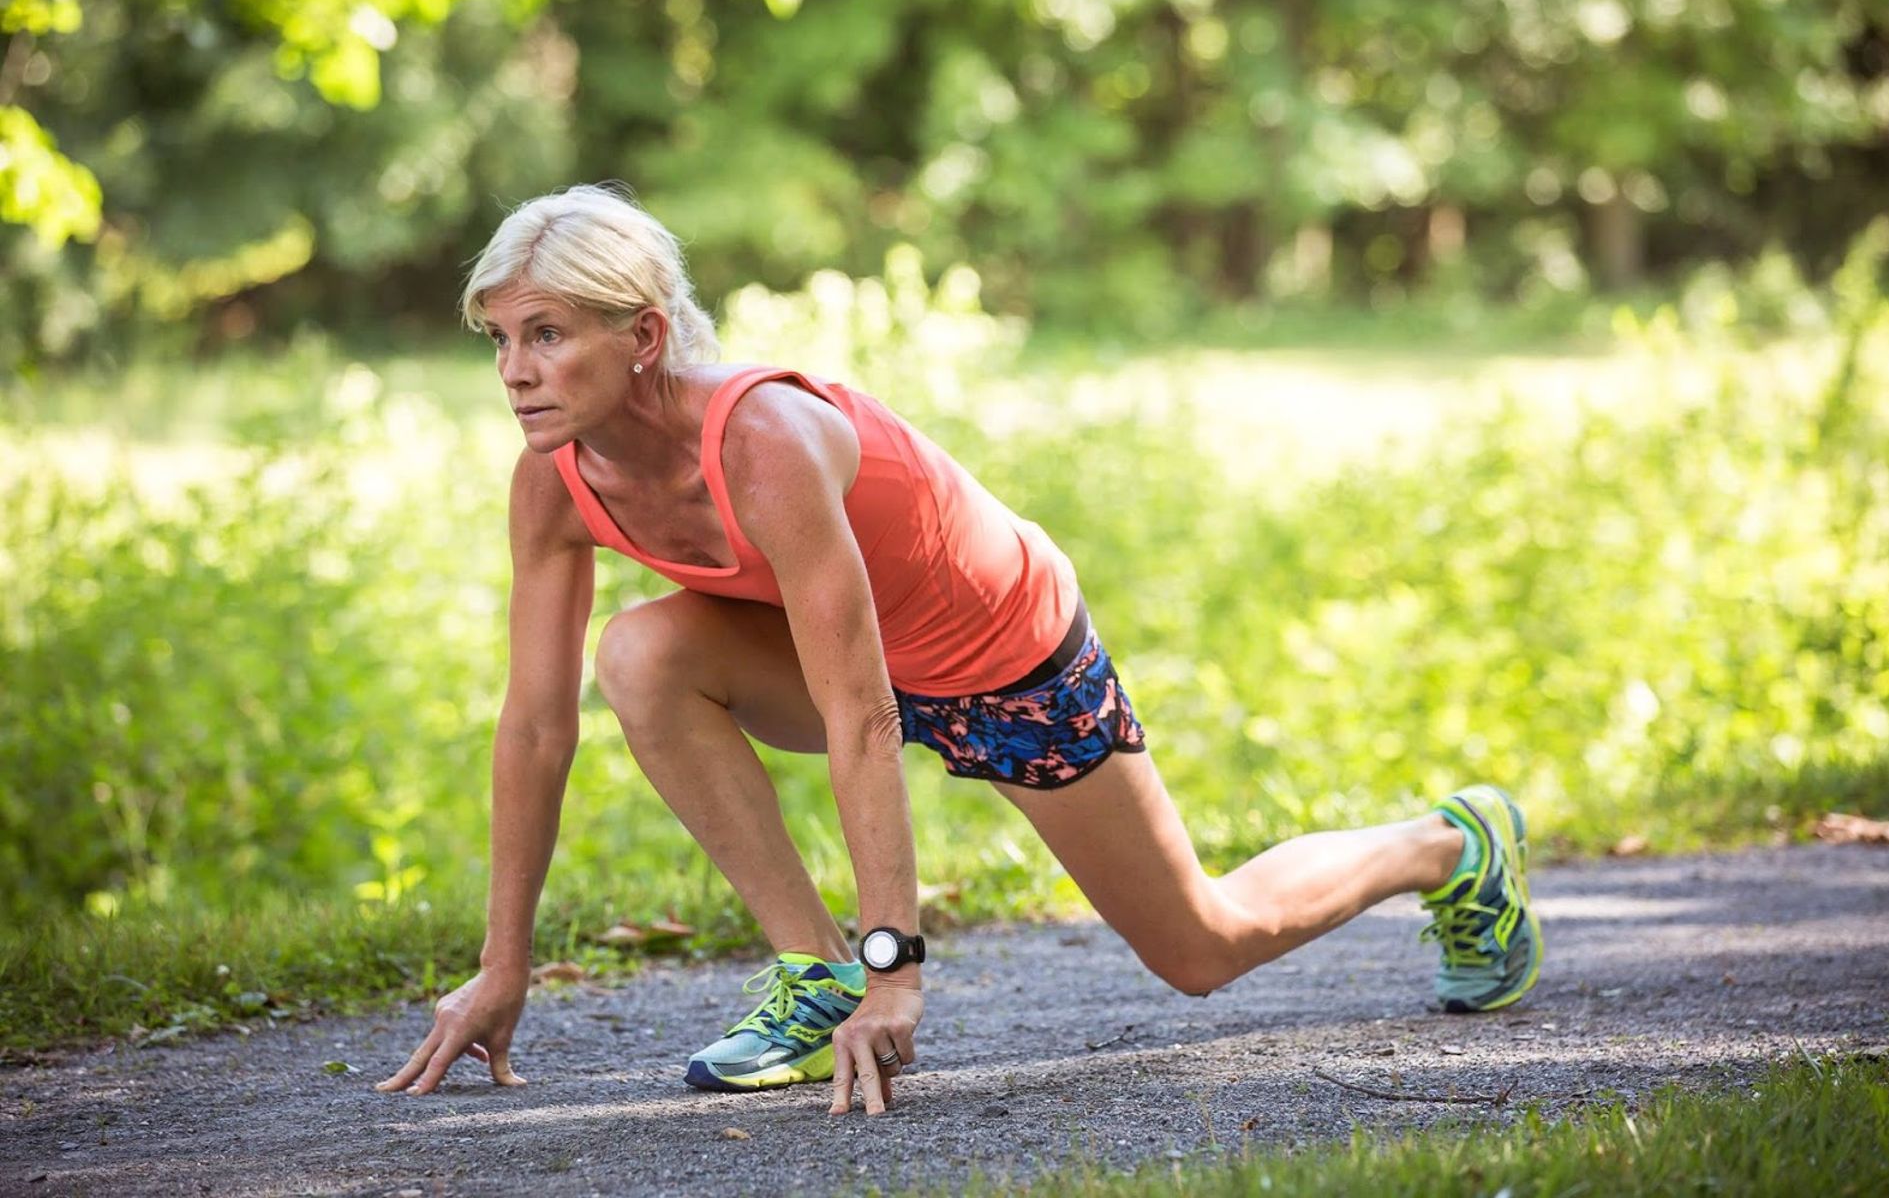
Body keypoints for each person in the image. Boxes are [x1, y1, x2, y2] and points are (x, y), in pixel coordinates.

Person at [376, 184, 1543, 1116]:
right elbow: (536, 721)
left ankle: (1449, 843)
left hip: (1004, 655)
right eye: (498, 339)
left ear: (641, 336)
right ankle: (811, 973)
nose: (514, 371)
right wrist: (503, 960)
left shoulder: (765, 441)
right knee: (638, 654)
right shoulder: (556, 478)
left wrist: (902, 970)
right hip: (857, 657)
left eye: (545, 335)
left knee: (1203, 944)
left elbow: (862, 716)